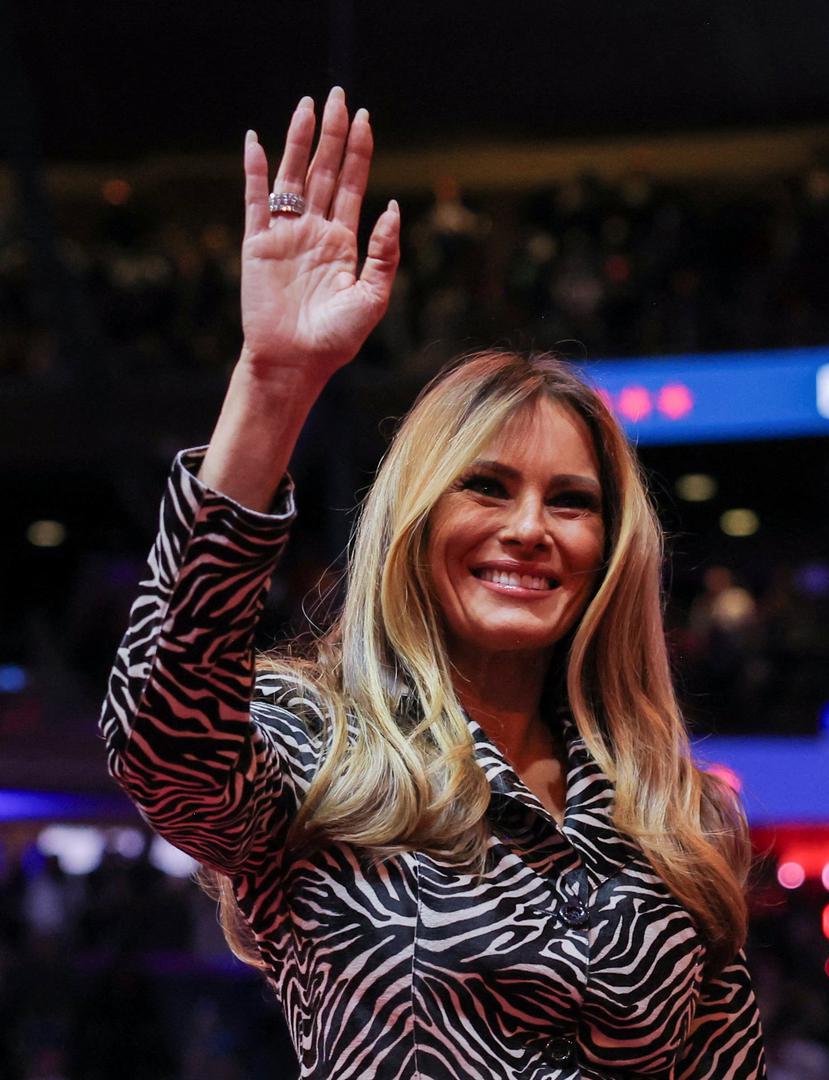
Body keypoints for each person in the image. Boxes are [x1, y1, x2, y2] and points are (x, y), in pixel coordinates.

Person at [98, 88, 765, 1078]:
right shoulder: (312, 745)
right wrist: (274, 384)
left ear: (613, 545)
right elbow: (160, 732)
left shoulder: (677, 814)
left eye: (572, 502)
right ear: (416, 524)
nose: (530, 530)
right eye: (486, 488)